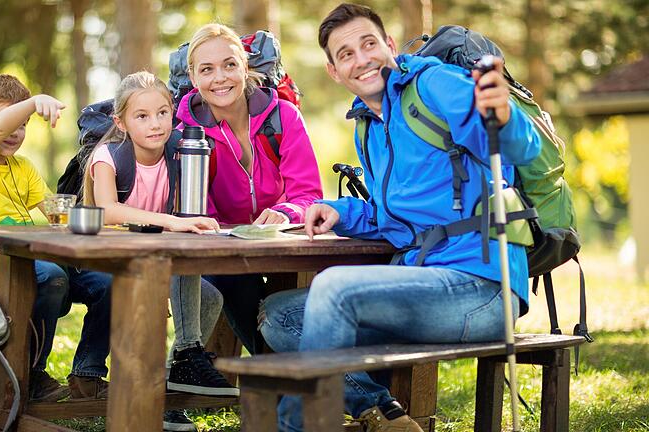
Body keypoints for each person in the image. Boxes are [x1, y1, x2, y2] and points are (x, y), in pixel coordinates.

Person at [258, 4, 542, 432]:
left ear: (389, 46)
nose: (362, 58)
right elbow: (392, 216)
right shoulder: (369, 125)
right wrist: (338, 210)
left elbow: (518, 148)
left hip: (480, 288)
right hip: (423, 285)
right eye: (346, 53)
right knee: (279, 316)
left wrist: (504, 115)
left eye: (369, 44)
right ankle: (383, 411)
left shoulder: (434, 84)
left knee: (333, 288)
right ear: (334, 71)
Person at [81, 71, 238, 432]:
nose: (156, 124)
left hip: (154, 256)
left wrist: (190, 221)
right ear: (121, 122)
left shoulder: (178, 150)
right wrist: (171, 220)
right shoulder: (109, 156)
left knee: (210, 297)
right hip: (108, 259)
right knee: (179, 281)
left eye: (163, 113)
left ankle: (171, 385)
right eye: (142, 116)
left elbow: (189, 207)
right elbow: (105, 210)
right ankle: (180, 363)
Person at [0, 74, 113, 402]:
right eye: (9, 122)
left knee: (109, 283)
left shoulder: (24, 168)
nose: (14, 133)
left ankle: (88, 373)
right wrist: (33, 103)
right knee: (51, 277)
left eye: (23, 125)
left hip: (36, 253)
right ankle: (31, 373)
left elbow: (57, 213)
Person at [175, 23, 323, 354]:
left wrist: (285, 212)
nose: (220, 78)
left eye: (230, 64)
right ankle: (278, 374)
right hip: (221, 253)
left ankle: (283, 375)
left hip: (281, 244)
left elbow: (309, 193)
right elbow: (194, 210)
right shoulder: (185, 132)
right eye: (207, 69)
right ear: (194, 77)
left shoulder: (284, 117)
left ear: (245, 66)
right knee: (232, 277)